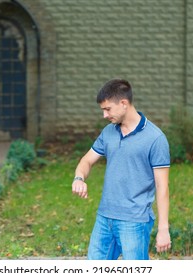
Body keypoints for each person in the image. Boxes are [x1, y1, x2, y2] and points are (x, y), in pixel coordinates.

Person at [72, 79, 171, 260]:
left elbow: (162, 187)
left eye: (107, 109)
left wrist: (163, 229)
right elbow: (86, 161)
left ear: (124, 103)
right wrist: (79, 178)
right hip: (105, 218)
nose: (104, 115)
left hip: (134, 221)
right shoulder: (109, 132)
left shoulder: (155, 139)